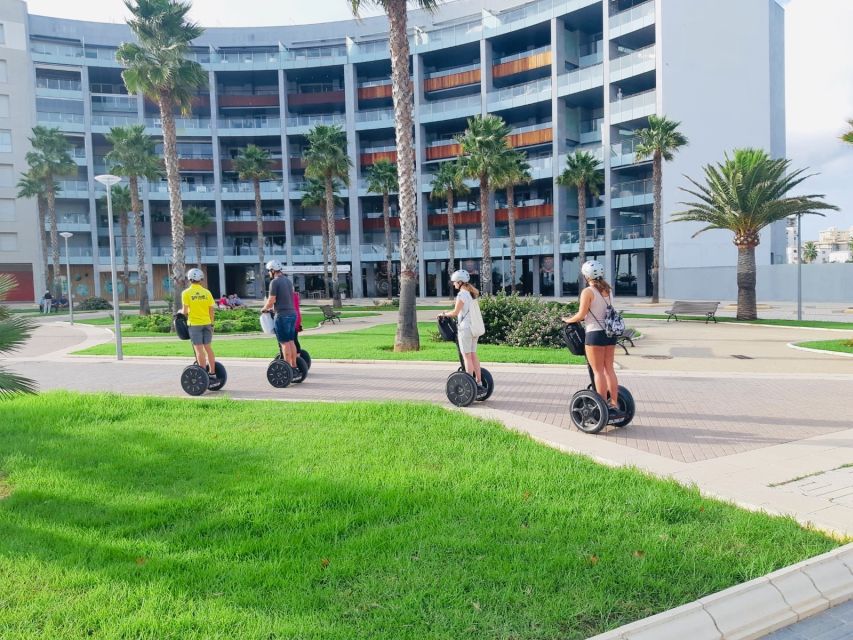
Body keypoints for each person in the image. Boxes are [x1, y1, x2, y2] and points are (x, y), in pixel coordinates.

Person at [562, 260, 623, 418]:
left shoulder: (588, 292)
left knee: (598, 371)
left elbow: (582, 315)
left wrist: (567, 320)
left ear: (586, 275)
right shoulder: (607, 290)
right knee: (609, 369)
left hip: (595, 334)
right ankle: (614, 403)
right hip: (610, 334)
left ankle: (601, 405)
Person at [439, 269, 484, 391]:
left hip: (466, 329)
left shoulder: (462, 295)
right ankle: (478, 382)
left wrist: (444, 313)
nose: (453, 284)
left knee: (467, 356)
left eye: (454, 282)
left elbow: (455, 313)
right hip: (474, 328)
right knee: (474, 355)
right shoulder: (471, 293)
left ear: (460, 282)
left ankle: (469, 385)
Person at [180, 268, 218, 381]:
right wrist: (211, 323)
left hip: (194, 325)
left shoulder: (186, 293)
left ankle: (203, 375)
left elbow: (185, 311)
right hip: (207, 323)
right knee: (208, 348)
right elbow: (211, 310)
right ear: (201, 279)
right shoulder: (207, 292)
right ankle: (212, 373)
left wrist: (179, 312)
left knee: (199, 350)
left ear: (189, 279)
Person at [260, 260, 298, 372]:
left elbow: (272, 299)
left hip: (282, 315)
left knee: (284, 343)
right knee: (291, 341)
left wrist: (264, 308)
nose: (268, 273)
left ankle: (286, 368)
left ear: (272, 270)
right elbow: (285, 298)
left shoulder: (274, 282)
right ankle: (294, 366)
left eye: (269, 271)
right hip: (292, 314)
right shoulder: (288, 281)